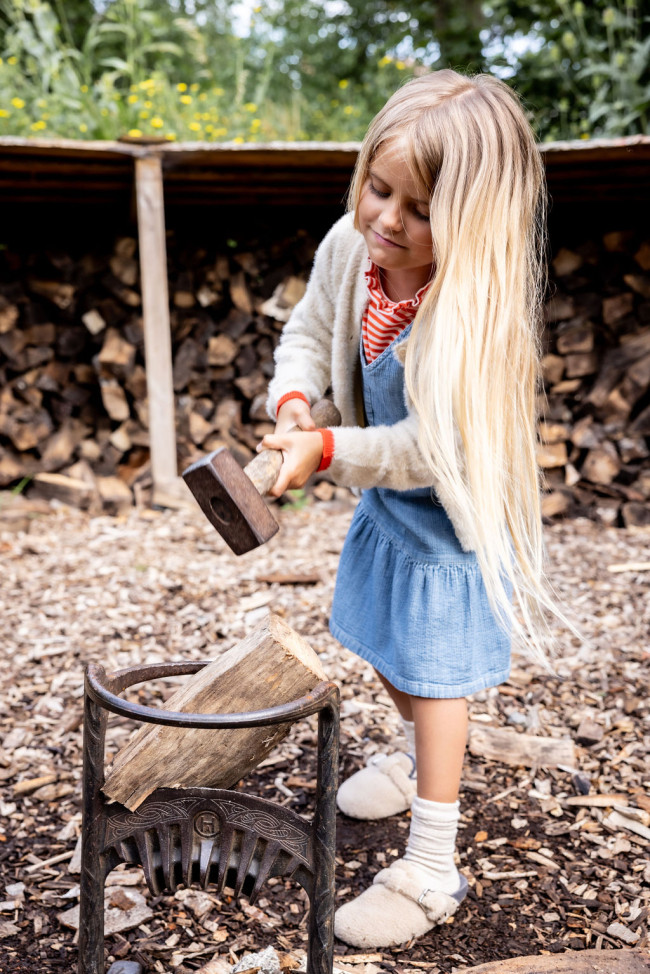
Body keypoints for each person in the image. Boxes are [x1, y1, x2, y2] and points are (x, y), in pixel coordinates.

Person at [259, 69, 560, 948]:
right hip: (385, 497)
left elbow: (432, 449)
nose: (387, 219)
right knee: (379, 641)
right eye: (376, 188)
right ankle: (409, 745)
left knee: (436, 678)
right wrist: (294, 406)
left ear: (474, 221)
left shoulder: (476, 315)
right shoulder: (354, 251)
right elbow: (309, 332)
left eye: (419, 209)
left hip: (449, 517)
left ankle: (433, 865)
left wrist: (328, 452)